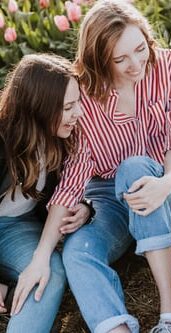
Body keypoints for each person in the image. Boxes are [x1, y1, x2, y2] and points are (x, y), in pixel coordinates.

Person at [11, 1, 171, 332]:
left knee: (134, 168)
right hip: (109, 197)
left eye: (140, 49)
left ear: (147, 36)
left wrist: (166, 182)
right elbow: (73, 179)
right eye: (120, 59)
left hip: (167, 188)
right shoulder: (83, 95)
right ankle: (116, 328)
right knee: (77, 252)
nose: (136, 64)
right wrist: (42, 254)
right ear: (99, 59)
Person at [0, 53, 90, 332]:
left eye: (78, 103)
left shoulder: (63, 137)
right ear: (38, 108)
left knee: (48, 274)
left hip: (17, 228)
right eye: (68, 107)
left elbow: (75, 183)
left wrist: (85, 207)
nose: (79, 113)